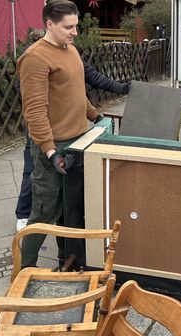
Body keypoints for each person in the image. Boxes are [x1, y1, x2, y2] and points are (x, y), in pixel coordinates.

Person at [17, 0, 107, 268]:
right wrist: (50, 150)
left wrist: (95, 117)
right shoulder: (35, 58)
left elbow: (76, 93)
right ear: (49, 24)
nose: (74, 32)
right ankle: (23, 273)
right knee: (44, 213)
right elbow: (34, 111)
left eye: (76, 26)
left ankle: (65, 262)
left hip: (79, 141)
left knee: (71, 211)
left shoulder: (70, 50)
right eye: (69, 27)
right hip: (54, 148)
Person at [15, 62, 129, 231]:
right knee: (32, 171)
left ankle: (55, 215)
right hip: (41, 127)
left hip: (64, 129)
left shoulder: (70, 56)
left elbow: (94, 80)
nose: (72, 34)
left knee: (59, 174)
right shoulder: (36, 59)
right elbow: (24, 90)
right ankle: (24, 214)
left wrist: (122, 88)